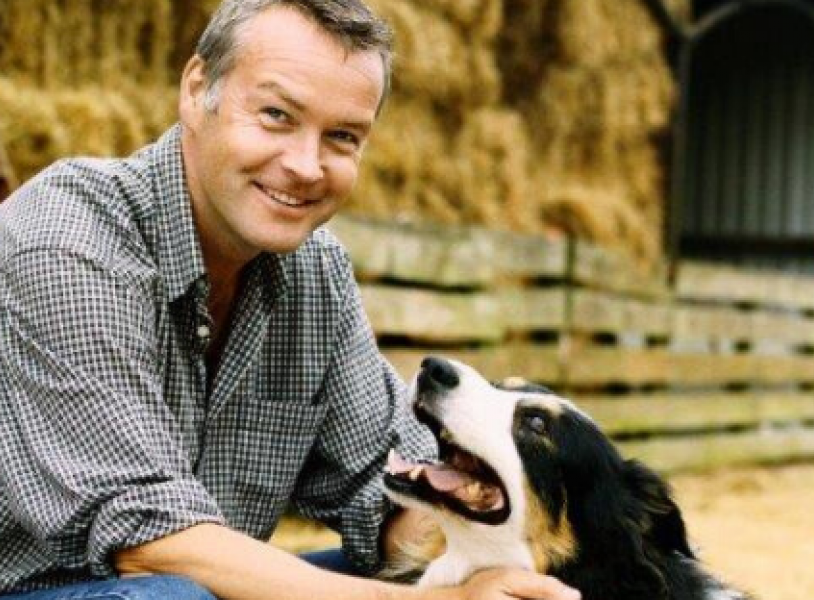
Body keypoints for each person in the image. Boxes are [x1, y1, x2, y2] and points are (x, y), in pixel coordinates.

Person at [0, 1, 579, 599]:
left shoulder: (315, 274)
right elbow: (147, 539)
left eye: (342, 137)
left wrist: (495, 563)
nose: (306, 166)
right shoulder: (67, 239)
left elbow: (385, 491)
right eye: (277, 115)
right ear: (199, 90)